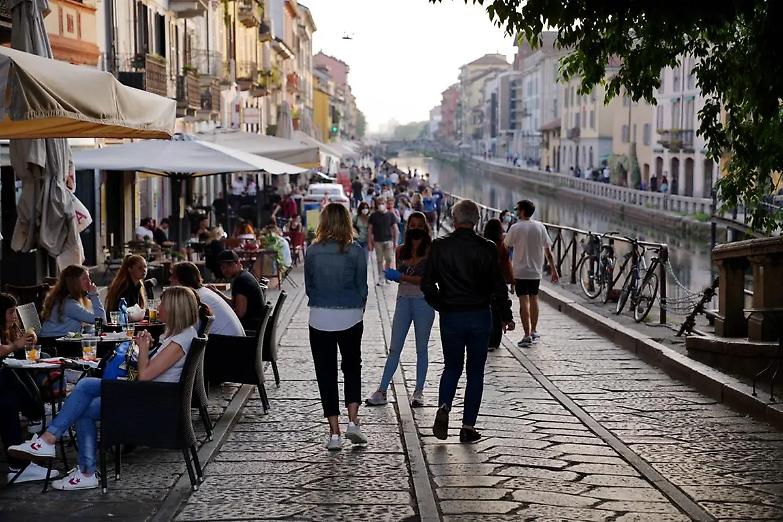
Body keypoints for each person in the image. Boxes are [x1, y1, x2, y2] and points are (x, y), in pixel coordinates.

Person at [10, 286, 200, 490]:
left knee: (86, 385)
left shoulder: (179, 341)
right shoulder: (181, 336)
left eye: (163, 303)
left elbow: (145, 376)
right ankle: (85, 471)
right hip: (151, 398)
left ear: (173, 308)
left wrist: (143, 348)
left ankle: (49, 440)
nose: (159, 306)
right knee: (83, 407)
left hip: (152, 404)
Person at [422, 200, 514, 444]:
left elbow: (427, 284)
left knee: (452, 367)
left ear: (454, 219)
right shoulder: (487, 247)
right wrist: (506, 315)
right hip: (479, 316)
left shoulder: (440, 246)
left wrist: (442, 304)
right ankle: (467, 427)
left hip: (451, 315)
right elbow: (498, 285)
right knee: (475, 372)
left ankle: (444, 406)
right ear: (477, 221)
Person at [305, 203, 368, 451]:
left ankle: (334, 433)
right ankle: (353, 421)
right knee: (352, 367)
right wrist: (356, 307)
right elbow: (362, 287)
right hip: (351, 317)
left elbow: (309, 286)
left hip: (320, 317)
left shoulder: (312, 251)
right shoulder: (356, 251)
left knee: (326, 372)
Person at [366, 212, 435, 408]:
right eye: (412, 224)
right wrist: (395, 276)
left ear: (425, 228)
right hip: (403, 300)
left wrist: (401, 277)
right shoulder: (400, 250)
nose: (415, 228)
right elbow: (401, 276)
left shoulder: (431, 251)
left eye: (419, 226)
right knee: (395, 347)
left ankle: (418, 392)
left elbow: (429, 280)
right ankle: (381, 390)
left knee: (422, 348)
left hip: (424, 301)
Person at [0, 293, 53, 484]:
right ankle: (36, 412)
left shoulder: (10, 328)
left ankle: (18, 468)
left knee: (8, 402)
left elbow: (21, 344)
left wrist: (30, 339)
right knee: (8, 372)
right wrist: (15, 345)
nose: (14, 316)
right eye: (10, 312)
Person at [504, 200, 559, 348]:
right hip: (536, 271)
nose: (515, 212)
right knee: (534, 299)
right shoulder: (540, 227)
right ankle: (534, 330)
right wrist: (554, 270)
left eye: (517, 209)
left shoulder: (515, 228)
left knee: (524, 302)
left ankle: (527, 334)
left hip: (520, 271)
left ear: (522, 211)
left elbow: (506, 246)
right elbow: (548, 251)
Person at [170, 262, 244, 337]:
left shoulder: (194, 298)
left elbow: (188, 331)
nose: (169, 279)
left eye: (173, 276)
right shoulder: (203, 291)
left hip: (228, 343)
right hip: (237, 341)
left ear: (182, 280)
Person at [39, 265, 106, 338]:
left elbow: (97, 323)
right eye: (85, 278)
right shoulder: (69, 304)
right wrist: (94, 295)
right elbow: (100, 320)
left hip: (60, 340)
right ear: (74, 282)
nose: (89, 281)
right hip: (54, 343)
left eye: (89, 278)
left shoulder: (65, 299)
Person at [482, 219, 514, 352]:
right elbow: (507, 266)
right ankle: (494, 340)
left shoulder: (482, 245)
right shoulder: (501, 247)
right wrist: (511, 281)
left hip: (484, 284)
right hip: (498, 282)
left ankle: (487, 338)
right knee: (496, 311)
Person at [214, 250, 265, 330]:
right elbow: (234, 304)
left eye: (229, 265)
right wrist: (217, 293)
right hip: (256, 325)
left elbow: (240, 313)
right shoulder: (245, 275)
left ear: (238, 263)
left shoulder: (241, 281)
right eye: (223, 267)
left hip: (249, 328)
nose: (225, 269)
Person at [368, 198, 398, 286]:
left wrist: (395, 241)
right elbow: (370, 229)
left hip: (389, 240)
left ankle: (387, 275)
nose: (381, 205)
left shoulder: (390, 215)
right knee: (379, 260)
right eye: (379, 203)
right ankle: (381, 277)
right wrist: (370, 242)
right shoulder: (373, 216)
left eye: (382, 203)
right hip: (378, 241)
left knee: (389, 259)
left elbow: (395, 228)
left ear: (385, 204)